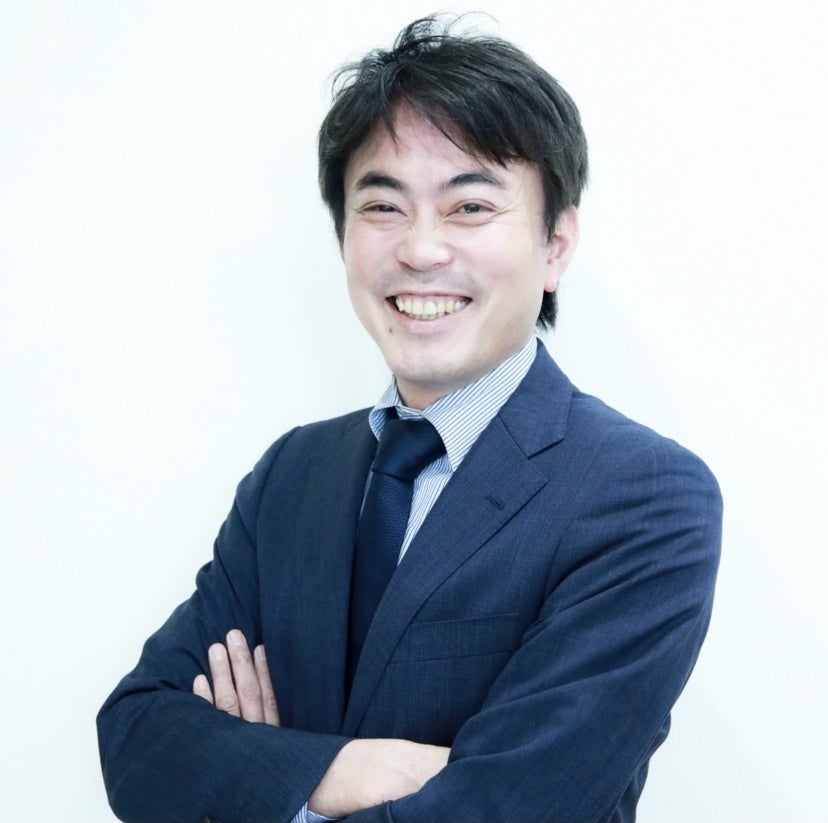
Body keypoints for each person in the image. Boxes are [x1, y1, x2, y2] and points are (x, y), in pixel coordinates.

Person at [97, 15, 722, 823]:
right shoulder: (292, 475)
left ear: (556, 244)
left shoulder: (643, 495)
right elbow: (138, 735)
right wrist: (346, 769)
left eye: (469, 206)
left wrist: (262, 774)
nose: (421, 249)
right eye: (384, 206)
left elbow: (505, 809)